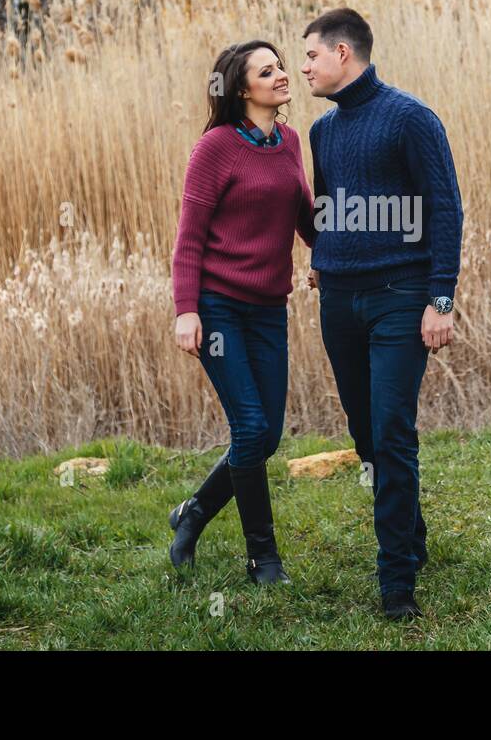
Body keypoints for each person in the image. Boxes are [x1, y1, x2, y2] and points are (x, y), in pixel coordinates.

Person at [301, 8, 463, 619]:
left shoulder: (412, 118)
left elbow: (446, 211)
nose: (305, 68)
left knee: (392, 432)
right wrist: (323, 253)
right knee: (366, 434)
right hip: (339, 300)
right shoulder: (323, 131)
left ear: (343, 53)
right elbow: (327, 202)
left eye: (311, 56)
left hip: (402, 295)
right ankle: (412, 539)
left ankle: (396, 581)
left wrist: (440, 299)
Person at [168, 40, 317, 584]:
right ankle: (264, 558)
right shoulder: (215, 148)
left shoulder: (290, 141)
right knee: (250, 426)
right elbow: (190, 240)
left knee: (267, 435)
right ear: (240, 88)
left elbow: (304, 215)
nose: (283, 76)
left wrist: (330, 253)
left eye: (281, 67)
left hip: (269, 309)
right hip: (219, 307)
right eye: (268, 70)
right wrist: (187, 310)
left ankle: (193, 512)